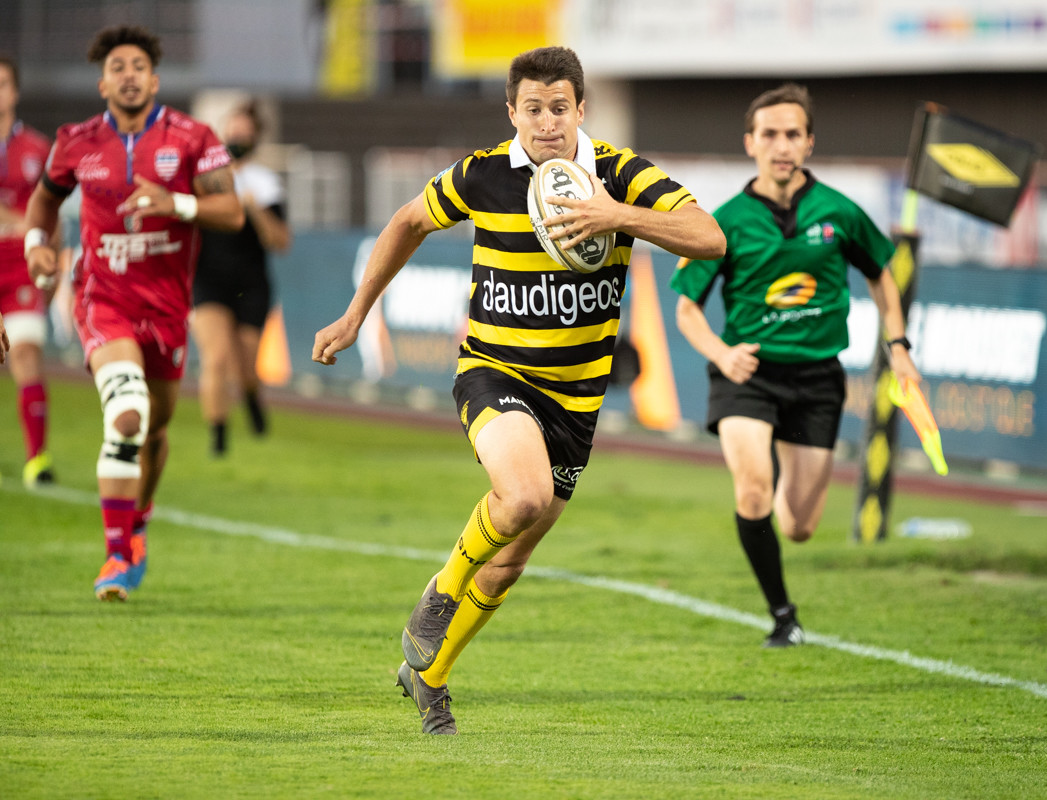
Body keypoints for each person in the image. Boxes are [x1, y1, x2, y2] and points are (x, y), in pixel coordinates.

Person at [312, 45, 725, 735]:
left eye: (559, 108)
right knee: (524, 494)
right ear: (512, 113)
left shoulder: (618, 174)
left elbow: (707, 236)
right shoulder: (482, 175)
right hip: (493, 371)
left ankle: (429, 677)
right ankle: (440, 593)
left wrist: (615, 216)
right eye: (531, 109)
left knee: (507, 566)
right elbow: (410, 220)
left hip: (576, 400)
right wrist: (357, 312)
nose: (545, 123)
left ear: (580, 110)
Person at [671, 84, 921, 648]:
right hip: (747, 374)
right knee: (753, 490)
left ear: (809, 143)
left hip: (817, 381)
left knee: (800, 526)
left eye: (792, 135)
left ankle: (778, 465)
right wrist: (720, 353)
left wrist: (899, 345)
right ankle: (783, 616)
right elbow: (686, 308)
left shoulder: (839, 212)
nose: (781, 145)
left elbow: (882, 274)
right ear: (750, 143)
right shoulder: (725, 222)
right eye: (769, 135)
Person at [24, 25, 243, 601]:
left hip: (167, 308)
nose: (128, 75)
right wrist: (35, 244)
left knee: (155, 430)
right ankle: (116, 556)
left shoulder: (192, 137)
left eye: (137, 66)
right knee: (126, 414)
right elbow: (44, 199)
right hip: (103, 298)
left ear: (155, 79)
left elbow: (233, 212)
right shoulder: (75, 140)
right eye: (117, 66)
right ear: (103, 82)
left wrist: (177, 201)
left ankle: (137, 522)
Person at [192, 100, 290, 457]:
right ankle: (218, 438)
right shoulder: (203, 180)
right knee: (216, 358)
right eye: (233, 131)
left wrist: (252, 207)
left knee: (244, 368)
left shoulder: (266, 184)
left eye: (245, 133)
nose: (238, 138)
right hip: (209, 283)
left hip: (250, 286)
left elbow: (280, 241)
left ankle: (251, 397)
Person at [0, 56, 55, 487]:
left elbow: (46, 215)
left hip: (20, 270)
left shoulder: (38, 149)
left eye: (2, 83)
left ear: (15, 91)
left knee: (25, 353)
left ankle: (37, 458)